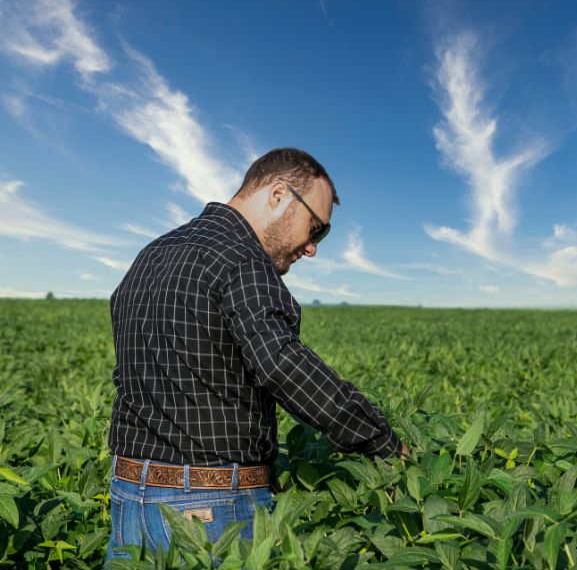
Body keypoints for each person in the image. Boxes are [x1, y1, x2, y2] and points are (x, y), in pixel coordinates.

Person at [105, 148, 408, 561]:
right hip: (208, 508)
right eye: (316, 228)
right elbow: (281, 363)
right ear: (279, 195)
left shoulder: (151, 255)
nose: (313, 247)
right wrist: (381, 439)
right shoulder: (243, 259)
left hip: (128, 496)